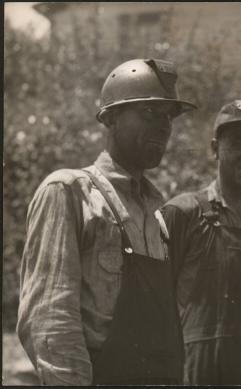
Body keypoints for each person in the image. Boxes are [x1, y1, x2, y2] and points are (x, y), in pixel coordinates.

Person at [17, 58, 196, 385]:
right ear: (111, 118)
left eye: (169, 116)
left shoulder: (157, 217)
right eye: (149, 112)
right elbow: (50, 325)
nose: (163, 126)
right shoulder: (70, 193)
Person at [157, 99, 241, 385]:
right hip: (193, 373)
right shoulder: (182, 214)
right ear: (215, 149)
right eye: (236, 142)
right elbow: (153, 308)